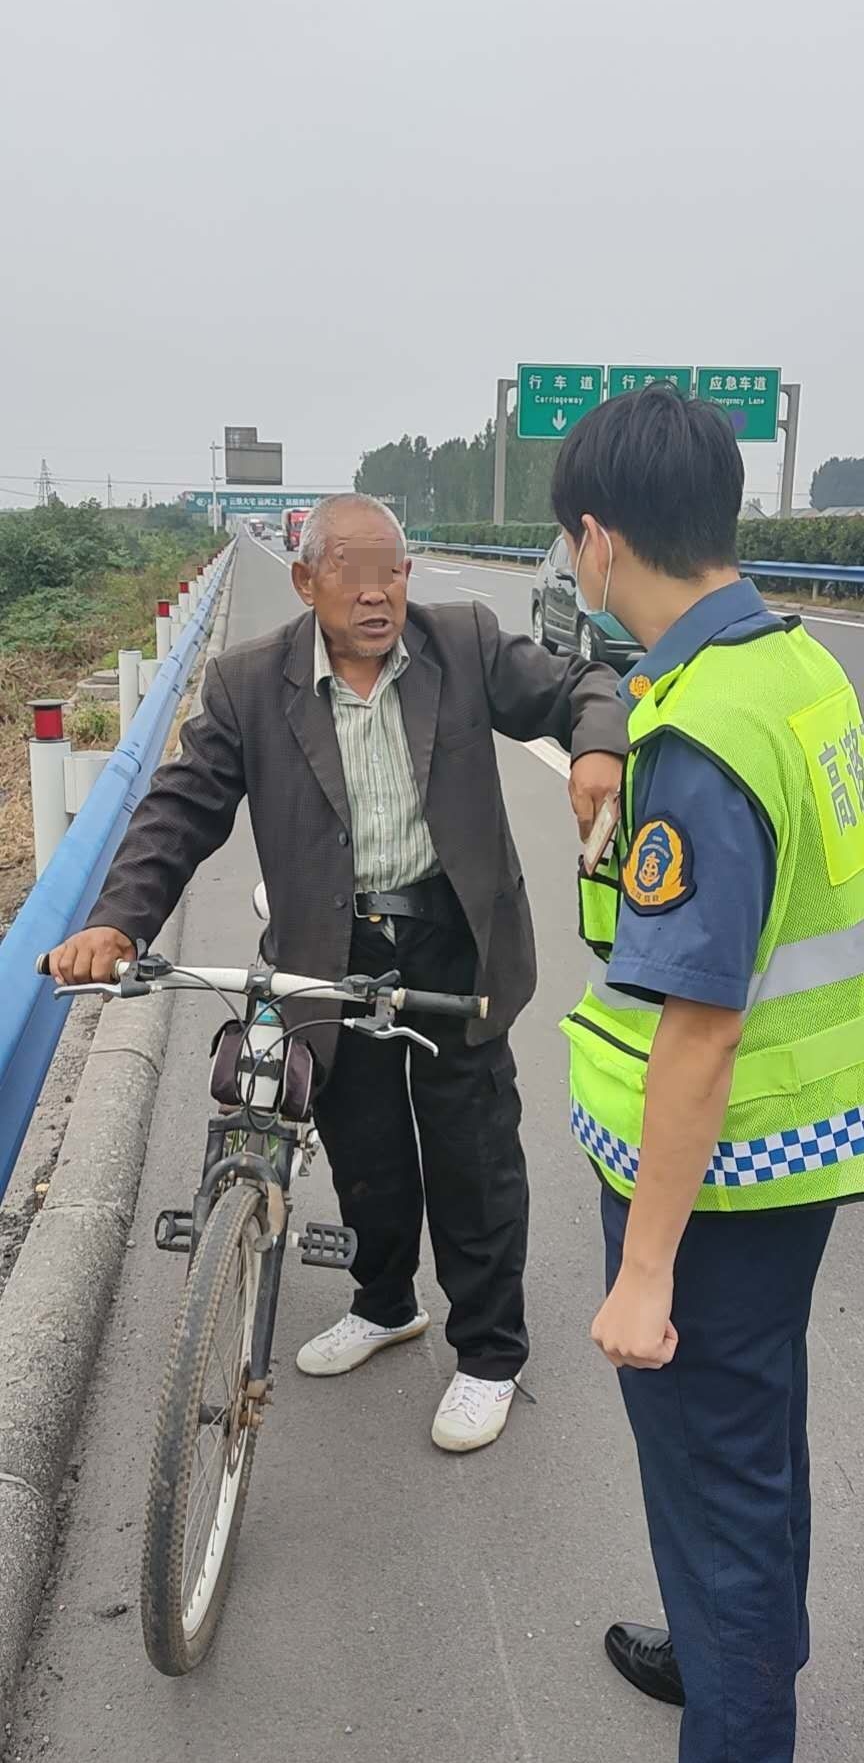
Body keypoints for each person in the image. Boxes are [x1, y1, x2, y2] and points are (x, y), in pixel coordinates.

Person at [49, 494, 626, 1453]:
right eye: (352, 575)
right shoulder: (248, 685)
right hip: (330, 945)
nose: (377, 594)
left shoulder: (464, 642)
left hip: (454, 936)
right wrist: (116, 921)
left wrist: (597, 746)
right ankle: (385, 1301)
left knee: (470, 1149)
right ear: (306, 580)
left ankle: (489, 1353)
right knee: (363, 1143)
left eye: (392, 572)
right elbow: (180, 811)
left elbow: (581, 685)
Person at [552, 387, 864, 1763]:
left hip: (718, 1181)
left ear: (598, 539)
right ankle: (744, 1651)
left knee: (717, 1486)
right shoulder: (796, 669)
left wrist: (643, 1267)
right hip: (797, 1158)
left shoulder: (704, 737)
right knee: (760, 1445)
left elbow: (699, 1029)